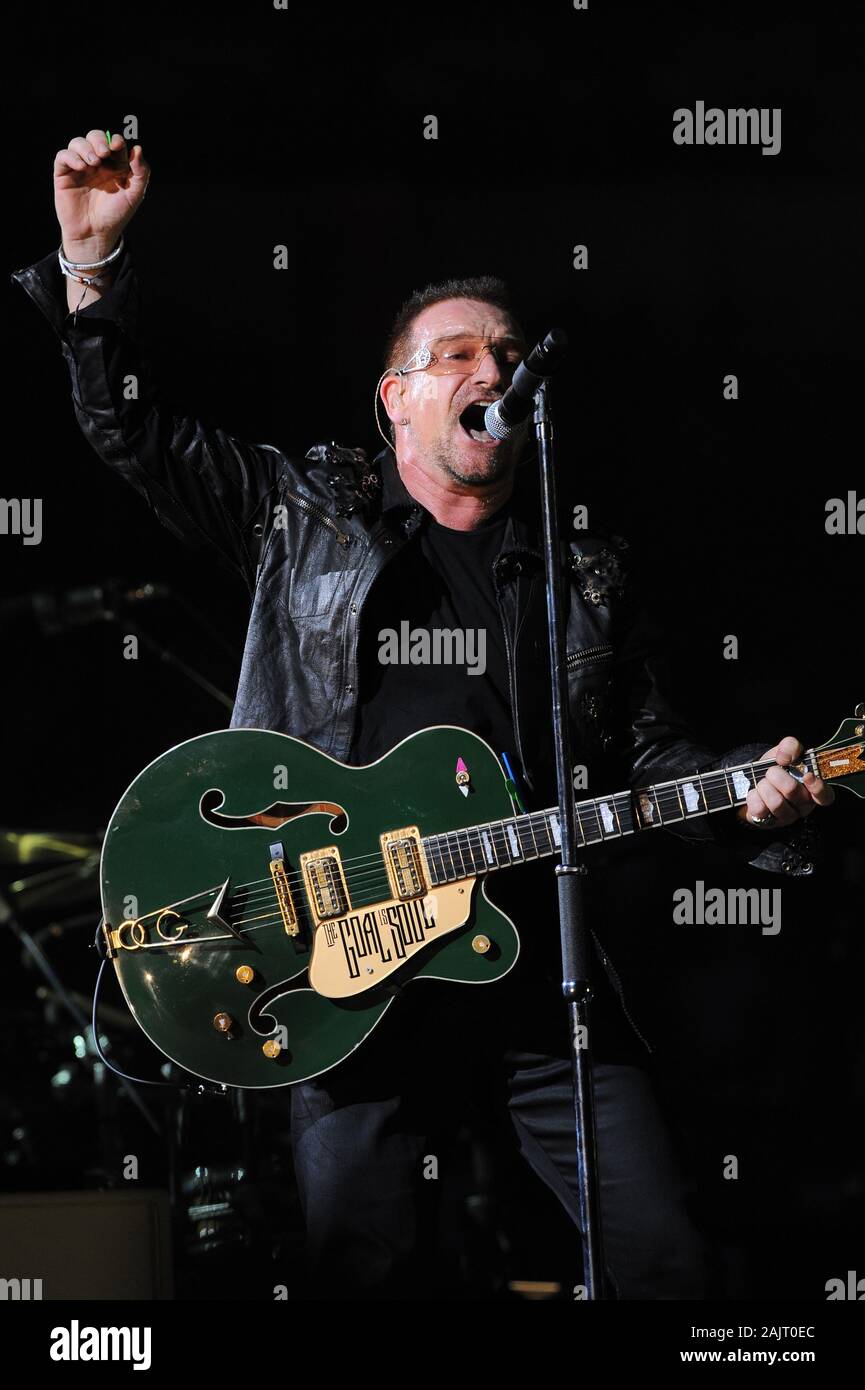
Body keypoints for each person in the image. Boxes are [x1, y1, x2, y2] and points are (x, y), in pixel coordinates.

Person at [11, 130, 834, 1299]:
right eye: (453, 354)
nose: (489, 369)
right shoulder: (304, 512)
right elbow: (133, 435)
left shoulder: (581, 571)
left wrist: (751, 793)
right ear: (396, 399)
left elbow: (645, 760)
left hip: (533, 974)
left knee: (669, 1265)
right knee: (369, 1269)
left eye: (502, 354)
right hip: (346, 973)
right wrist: (91, 269)